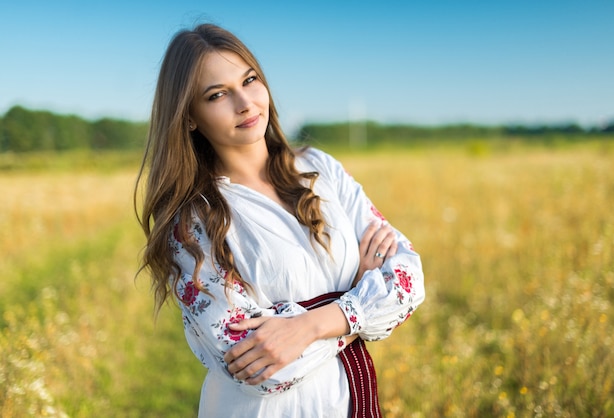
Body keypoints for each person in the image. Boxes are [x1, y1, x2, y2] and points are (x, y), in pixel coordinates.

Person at [135, 23, 425, 418]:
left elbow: (408, 279)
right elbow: (257, 368)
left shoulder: (320, 169)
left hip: (347, 402)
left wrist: (309, 325)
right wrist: (362, 295)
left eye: (249, 80)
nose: (245, 103)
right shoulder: (190, 222)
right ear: (188, 117)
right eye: (217, 94)